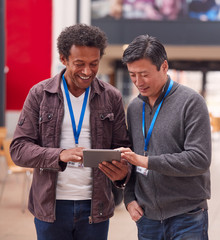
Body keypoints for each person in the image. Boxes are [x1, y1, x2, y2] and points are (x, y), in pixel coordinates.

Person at [10, 24, 131, 240]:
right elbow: (18, 150)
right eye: (79, 64)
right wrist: (58, 155)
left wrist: (123, 173)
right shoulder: (40, 94)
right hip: (51, 207)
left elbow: (123, 149)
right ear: (63, 59)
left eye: (93, 64)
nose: (87, 71)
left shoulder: (111, 97)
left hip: (96, 207)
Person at [121, 34, 212, 239]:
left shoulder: (191, 102)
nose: (138, 82)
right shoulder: (135, 108)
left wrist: (147, 161)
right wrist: (129, 198)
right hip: (147, 217)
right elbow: (132, 160)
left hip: (187, 216)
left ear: (163, 66)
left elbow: (199, 159)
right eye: (132, 75)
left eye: (144, 74)